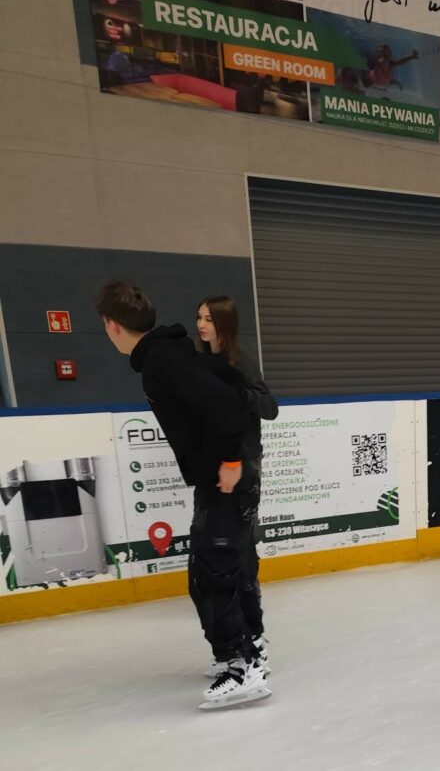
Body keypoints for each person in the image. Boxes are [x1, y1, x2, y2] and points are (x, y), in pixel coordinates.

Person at [95, 281, 271, 709]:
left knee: (212, 574)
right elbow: (225, 380)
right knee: (227, 566)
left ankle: (241, 665)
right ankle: (251, 648)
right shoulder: (170, 352)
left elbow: (227, 404)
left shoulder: (161, 360)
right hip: (221, 476)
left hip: (225, 478)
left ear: (113, 326)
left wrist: (231, 461)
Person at [196, 296, 279, 680]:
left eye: (209, 319)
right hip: (216, 472)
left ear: (225, 324)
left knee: (240, 557)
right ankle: (246, 635)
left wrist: (237, 393)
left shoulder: (239, 362)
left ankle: (254, 636)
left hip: (243, 471)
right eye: (199, 318)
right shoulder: (202, 363)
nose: (202, 324)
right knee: (231, 556)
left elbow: (269, 405)